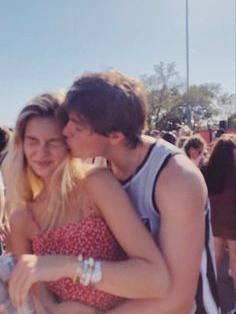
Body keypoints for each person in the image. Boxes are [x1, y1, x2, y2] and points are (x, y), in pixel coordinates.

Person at [60, 71, 220, 314]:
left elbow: (178, 298)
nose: (65, 132)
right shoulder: (95, 165)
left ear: (114, 136)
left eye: (77, 127)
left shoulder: (176, 179)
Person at [2, 92, 170, 313]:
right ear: (21, 145)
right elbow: (35, 292)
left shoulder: (95, 184)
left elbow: (156, 280)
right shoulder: (22, 218)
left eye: (53, 141)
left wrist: (67, 266)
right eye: (32, 141)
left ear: (68, 143)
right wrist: (53, 307)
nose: (41, 152)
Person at [202, 134, 236, 313]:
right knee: (235, 265)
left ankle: (207, 300)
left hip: (215, 222)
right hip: (233, 222)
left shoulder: (208, 170)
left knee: (212, 264)